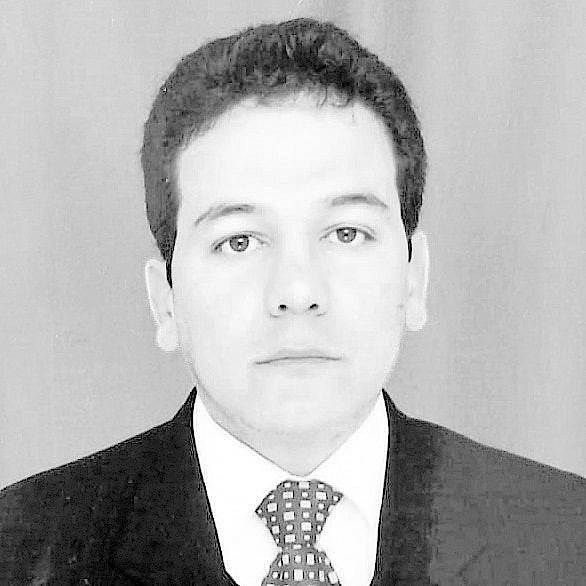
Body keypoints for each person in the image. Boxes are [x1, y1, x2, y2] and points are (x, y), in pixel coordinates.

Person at [0, 17, 584, 586]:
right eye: (239, 241)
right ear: (165, 301)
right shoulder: (22, 548)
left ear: (414, 278)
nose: (297, 293)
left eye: (346, 233)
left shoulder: (566, 536)